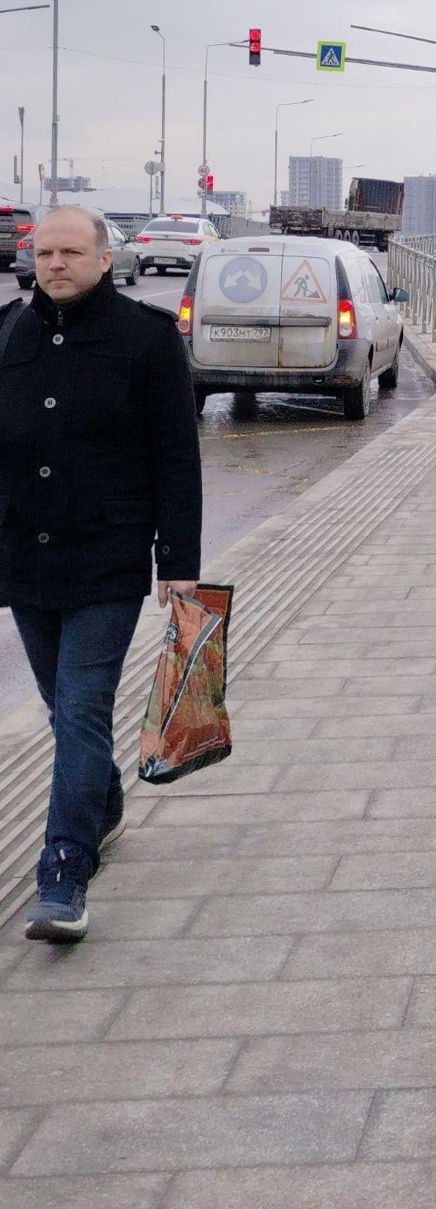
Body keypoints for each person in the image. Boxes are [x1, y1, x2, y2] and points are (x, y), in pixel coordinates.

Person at [0, 205, 201, 943]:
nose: (55, 263)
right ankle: (102, 802)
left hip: (107, 559)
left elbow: (177, 456)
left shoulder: (146, 338)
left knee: (83, 709)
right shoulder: (7, 331)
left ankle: (63, 875)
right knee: (64, 711)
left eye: (71, 253)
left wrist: (178, 564)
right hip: (26, 560)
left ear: (105, 259)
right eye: (44, 252)